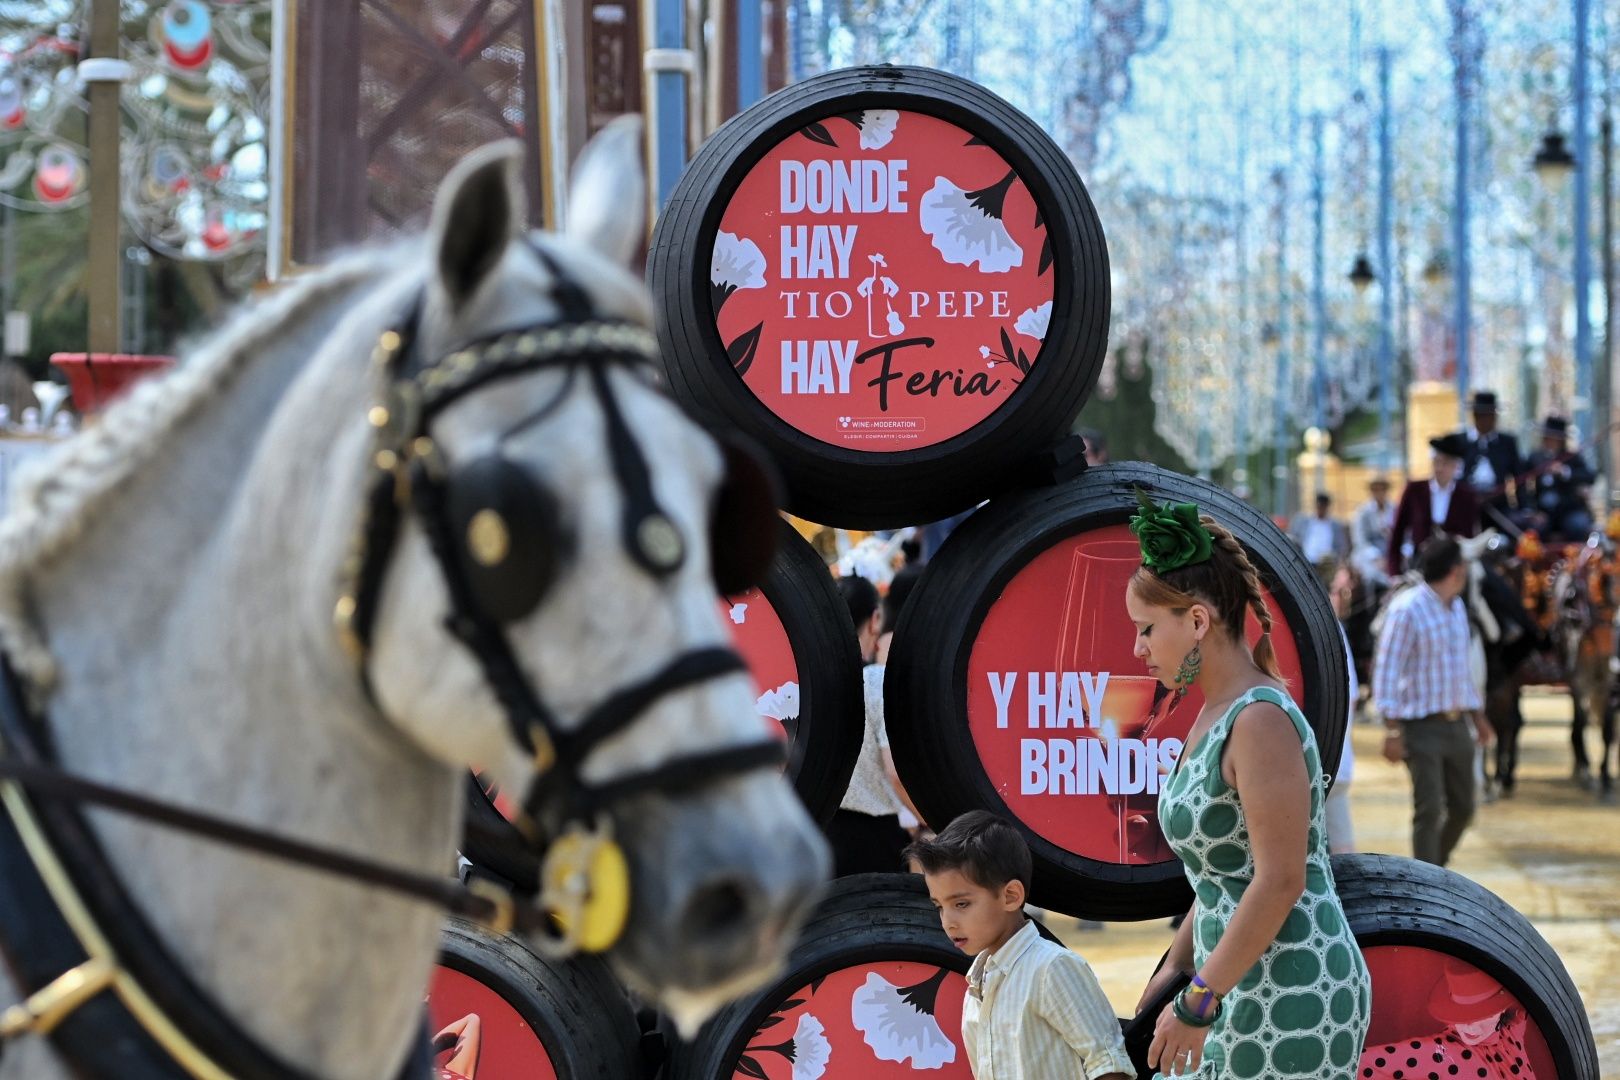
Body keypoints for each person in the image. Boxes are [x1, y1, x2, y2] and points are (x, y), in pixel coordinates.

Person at [1125, 491, 1369, 1079]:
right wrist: (1175, 967)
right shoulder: (1217, 710)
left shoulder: (1259, 719)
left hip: (1291, 986)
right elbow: (1221, 873)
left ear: (1198, 621)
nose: (1138, 648)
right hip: (1234, 980)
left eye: (1147, 629)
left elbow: (1281, 879)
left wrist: (1197, 1000)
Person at [906, 811, 1133, 1080]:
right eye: (939, 907)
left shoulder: (1052, 969)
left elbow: (1108, 1065)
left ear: (1011, 896)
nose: (948, 922)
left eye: (961, 904)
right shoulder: (977, 987)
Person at [1373, 537, 1488, 866]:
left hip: (1457, 725)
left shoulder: (1458, 607)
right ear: (1456, 570)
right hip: (1420, 727)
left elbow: (1461, 669)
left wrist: (1477, 716)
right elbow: (1387, 670)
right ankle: (1429, 879)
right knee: (1430, 809)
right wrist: (1392, 730)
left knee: (1464, 808)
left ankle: (1435, 871)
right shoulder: (1406, 609)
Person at [826, 574, 918, 876]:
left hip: (819, 830)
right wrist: (930, 822)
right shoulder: (876, 682)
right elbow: (895, 773)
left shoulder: (805, 683)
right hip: (875, 838)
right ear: (875, 618)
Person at [1387, 432, 1480, 577]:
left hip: (1452, 566)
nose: (1440, 468)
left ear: (1456, 466)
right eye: (1437, 462)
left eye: (1445, 463)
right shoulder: (1414, 490)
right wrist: (1394, 573)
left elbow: (1468, 535)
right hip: (1420, 565)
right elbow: (1397, 534)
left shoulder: (1466, 496)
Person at [1523, 415, 1595, 541]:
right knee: (1532, 531)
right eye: (1546, 436)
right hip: (1543, 512)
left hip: (1568, 510)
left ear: (1561, 440)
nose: (1548, 440)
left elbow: (1589, 477)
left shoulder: (1571, 458)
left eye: (1553, 437)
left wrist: (1565, 472)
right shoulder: (1534, 458)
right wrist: (1532, 511)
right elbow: (1524, 485)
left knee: (1579, 526)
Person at [1462, 390, 1523, 525]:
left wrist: (1523, 508)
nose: (1484, 420)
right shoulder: (1462, 441)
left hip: (1498, 505)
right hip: (1467, 506)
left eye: (1488, 415)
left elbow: (1519, 477)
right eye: (1480, 415)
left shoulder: (1507, 443)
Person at [1288, 491, 1350, 588]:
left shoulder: (1335, 525)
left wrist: (1338, 560)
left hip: (1327, 564)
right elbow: (1294, 538)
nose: (1320, 509)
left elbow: (1341, 547)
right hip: (1307, 561)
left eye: (1323, 506)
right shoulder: (1305, 522)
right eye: (1319, 506)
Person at [1349, 477, 1395, 587]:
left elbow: (1404, 536)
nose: (1379, 492)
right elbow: (1360, 540)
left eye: (1382, 489)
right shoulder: (1363, 512)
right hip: (1368, 555)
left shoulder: (1394, 509)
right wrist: (1376, 557)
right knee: (1371, 574)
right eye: (1376, 489)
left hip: (1391, 554)